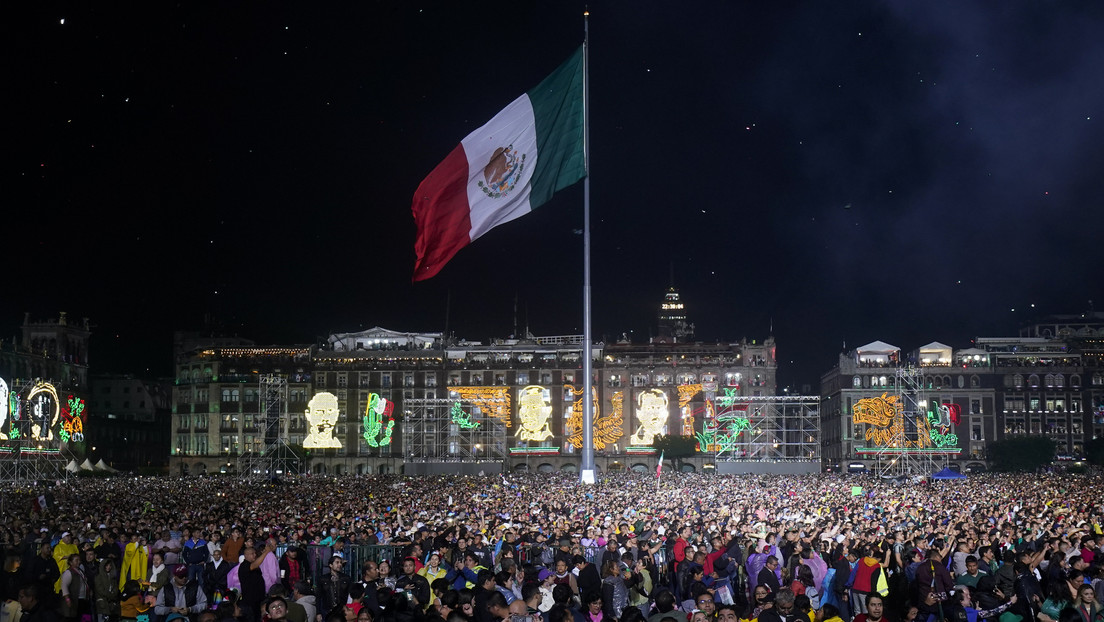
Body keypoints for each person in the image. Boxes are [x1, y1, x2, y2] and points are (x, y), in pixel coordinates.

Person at [318, 556, 351, 622]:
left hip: (341, 611)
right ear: (330, 565)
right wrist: (318, 613)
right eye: (337, 562)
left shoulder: (346, 578)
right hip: (327, 610)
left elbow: (349, 594)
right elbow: (318, 596)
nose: (340, 565)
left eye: (341, 563)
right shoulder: (323, 579)